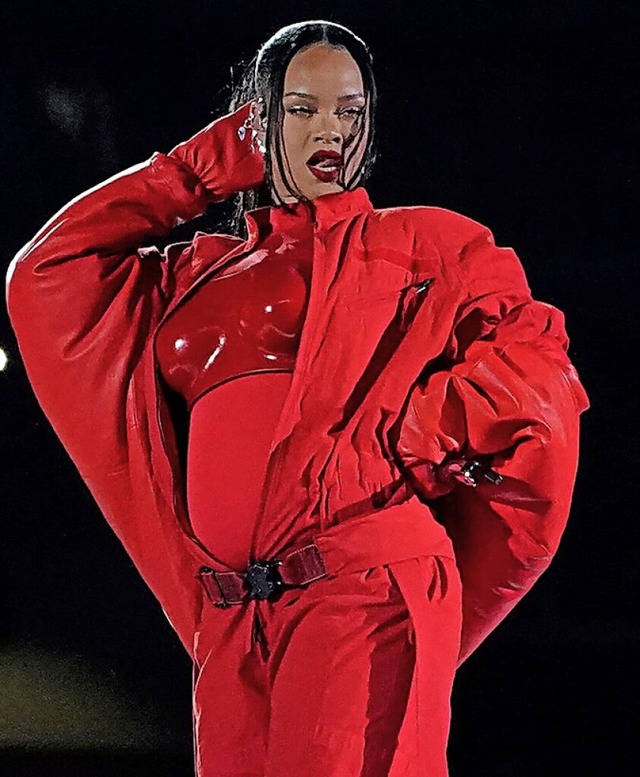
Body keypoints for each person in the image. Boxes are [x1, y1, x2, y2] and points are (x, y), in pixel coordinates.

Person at [6, 19, 589, 777]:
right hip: (232, 616)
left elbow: (539, 374)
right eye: (302, 107)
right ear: (255, 119)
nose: (330, 130)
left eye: (350, 111)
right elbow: (46, 274)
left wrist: (416, 429)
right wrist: (196, 171)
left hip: (360, 591)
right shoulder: (189, 276)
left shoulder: (428, 245)